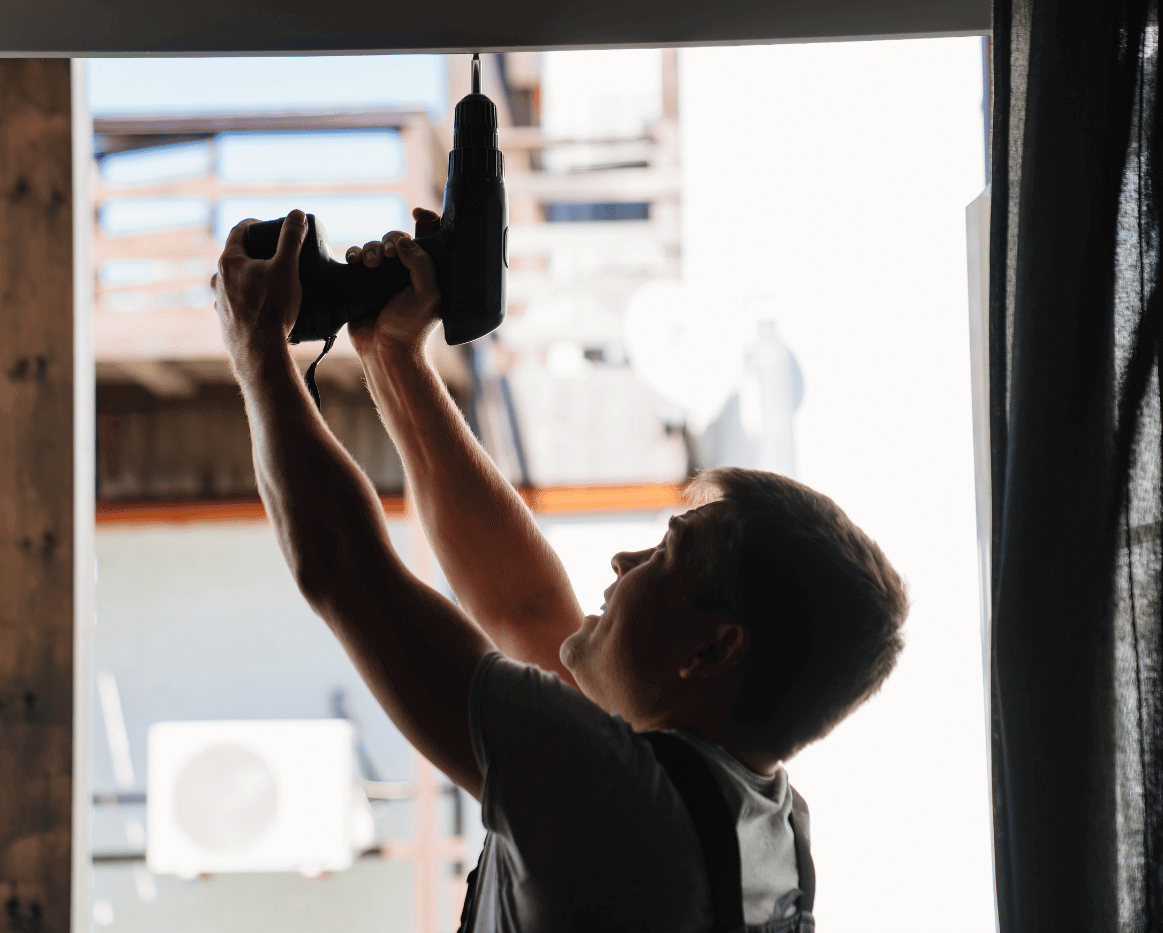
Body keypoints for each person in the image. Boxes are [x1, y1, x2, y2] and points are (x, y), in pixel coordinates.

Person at [211, 208, 908, 933]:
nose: (622, 560)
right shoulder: (752, 817)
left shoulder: (623, 809)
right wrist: (393, 356)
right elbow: (524, 608)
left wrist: (255, 343)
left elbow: (342, 567)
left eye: (666, 553)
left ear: (713, 647)